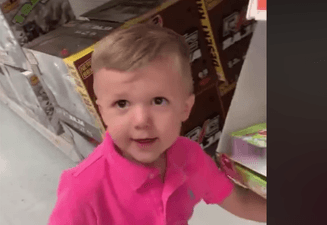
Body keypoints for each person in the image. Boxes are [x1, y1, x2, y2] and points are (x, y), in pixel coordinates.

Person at [48, 24, 266, 225]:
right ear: (102, 112)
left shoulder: (191, 158)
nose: (142, 121)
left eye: (158, 101)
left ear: (185, 108)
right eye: (122, 103)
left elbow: (240, 202)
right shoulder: (83, 189)